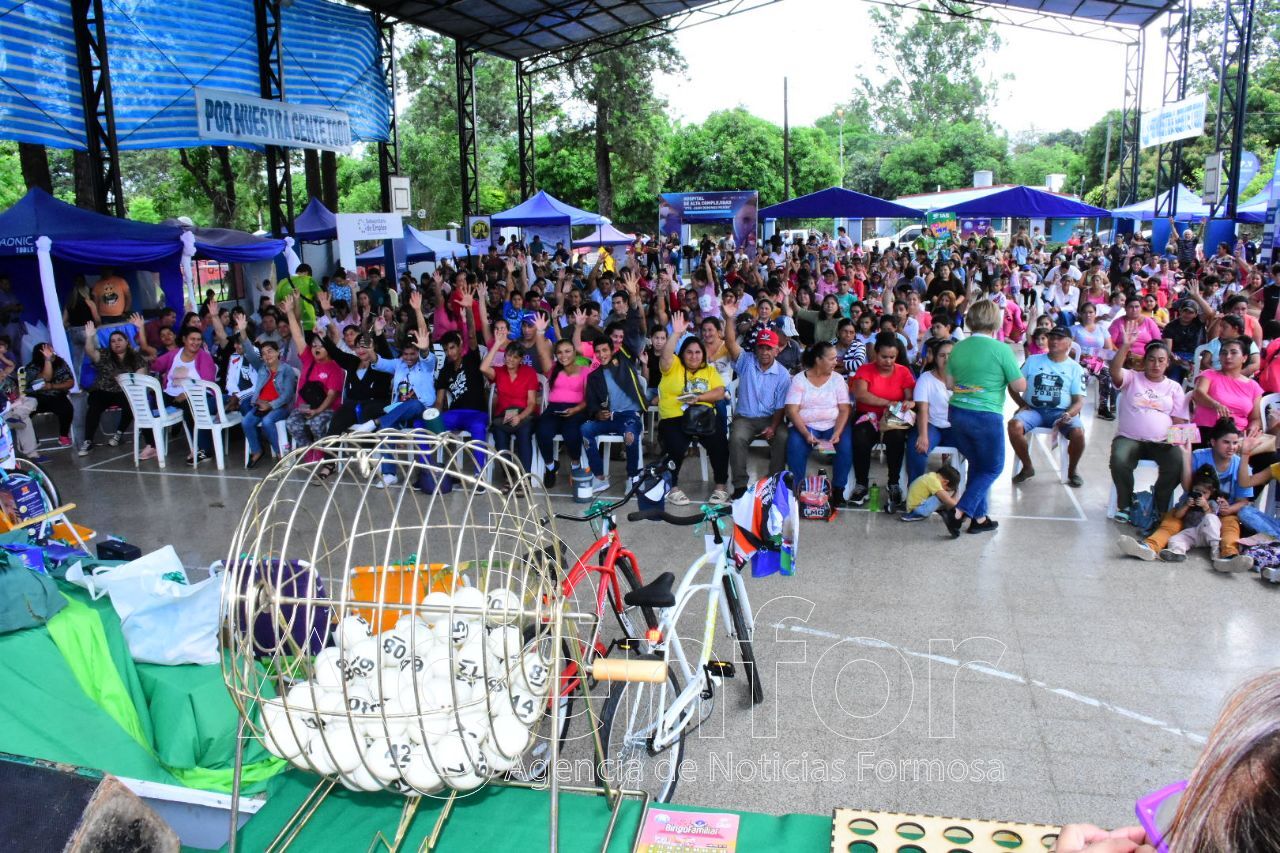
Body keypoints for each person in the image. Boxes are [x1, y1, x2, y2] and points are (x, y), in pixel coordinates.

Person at [1117, 418, 1254, 572]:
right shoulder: (1200, 456)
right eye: (1226, 442)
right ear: (1213, 442)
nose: (1231, 447)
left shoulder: (1241, 465)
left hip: (1220, 514)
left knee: (1232, 524)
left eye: (1235, 443)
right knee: (1172, 520)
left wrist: (1229, 509)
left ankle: (1229, 557)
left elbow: (1244, 501)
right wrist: (1186, 457)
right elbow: (1187, 487)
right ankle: (1148, 547)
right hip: (1190, 508)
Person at [941, 299, 1026, 537]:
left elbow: (949, 384)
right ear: (996, 321)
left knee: (978, 466)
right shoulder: (1001, 349)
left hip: (957, 413)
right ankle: (958, 512)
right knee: (993, 466)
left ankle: (980, 518)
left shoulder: (958, 347)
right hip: (985, 415)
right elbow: (1019, 384)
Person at [1108, 329, 1189, 521]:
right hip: (1129, 437)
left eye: (1161, 360)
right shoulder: (1132, 378)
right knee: (1119, 460)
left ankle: (1159, 504)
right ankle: (1126, 505)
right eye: (1152, 359)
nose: (1156, 364)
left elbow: (1179, 420)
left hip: (1162, 441)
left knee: (1177, 462)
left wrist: (1182, 445)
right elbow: (1114, 371)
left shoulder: (1174, 387)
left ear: (1168, 363)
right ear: (1145, 361)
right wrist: (1126, 346)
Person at [656, 311, 729, 505]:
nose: (694, 356)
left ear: (703, 354)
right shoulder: (674, 366)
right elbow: (664, 357)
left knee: (719, 441)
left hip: (703, 416)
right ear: (682, 354)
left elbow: (720, 392)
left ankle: (720, 488)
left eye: (698, 352)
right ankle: (672, 487)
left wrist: (699, 397)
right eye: (689, 352)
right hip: (674, 416)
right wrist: (676, 334)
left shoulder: (709, 369)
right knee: (675, 444)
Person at [721, 296, 790, 499]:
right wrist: (728, 319)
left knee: (783, 436)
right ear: (756, 348)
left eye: (769, 348)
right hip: (745, 418)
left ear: (776, 350)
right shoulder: (746, 361)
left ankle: (774, 481)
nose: (764, 352)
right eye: (761, 347)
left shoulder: (783, 374)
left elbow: (780, 407)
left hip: (771, 418)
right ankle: (741, 485)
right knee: (736, 437)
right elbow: (731, 343)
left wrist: (773, 426)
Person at [1009, 325, 1087, 487]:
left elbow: (1079, 401)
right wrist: (1021, 403)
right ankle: (1027, 467)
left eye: (1059, 338)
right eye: (1052, 337)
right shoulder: (1033, 361)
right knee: (1014, 425)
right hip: (1034, 410)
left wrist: (1070, 414)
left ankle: (1072, 471)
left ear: (1069, 343)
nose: (1054, 341)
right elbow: (1013, 384)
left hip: (1061, 412)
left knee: (1078, 433)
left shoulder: (1075, 368)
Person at [850, 333, 916, 510]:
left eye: (892, 357)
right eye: (884, 357)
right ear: (875, 354)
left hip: (894, 418)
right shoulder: (865, 370)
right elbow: (861, 395)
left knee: (897, 437)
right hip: (867, 416)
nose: (888, 361)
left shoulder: (903, 371)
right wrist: (887, 403)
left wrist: (909, 402)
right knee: (860, 437)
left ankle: (893, 483)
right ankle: (861, 483)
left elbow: (909, 397)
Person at [784, 341, 852, 505]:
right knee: (795, 445)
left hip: (832, 425)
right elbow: (792, 411)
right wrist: (806, 434)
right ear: (818, 359)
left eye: (836, 358)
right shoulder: (800, 380)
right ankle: (797, 489)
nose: (836, 362)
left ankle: (838, 490)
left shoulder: (837, 379)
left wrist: (837, 432)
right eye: (832, 359)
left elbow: (844, 409)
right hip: (806, 426)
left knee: (845, 446)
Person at [531, 314, 591, 489]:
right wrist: (540, 332)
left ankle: (574, 465)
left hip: (577, 409)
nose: (563, 355)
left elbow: (588, 398)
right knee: (542, 431)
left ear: (574, 352)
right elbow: (542, 353)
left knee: (572, 434)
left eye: (567, 351)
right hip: (554, 409)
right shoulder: (554, 369)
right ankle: (551, 466)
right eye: (559, 352)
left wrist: (575, 410)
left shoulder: (584, 367)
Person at [280, 295, 343, 457]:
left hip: (327, 408)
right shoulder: (308, 357)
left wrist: (317, 411)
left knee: (315, 425)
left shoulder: (335, 368)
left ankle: (322, 454)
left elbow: (331, 396)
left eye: (320, 345)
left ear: (328, 347)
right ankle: (309, 451)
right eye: (314, 345)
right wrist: (290, 313)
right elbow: (297, 336)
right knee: (292, 424)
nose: (316, 348)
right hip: (304, 406)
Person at [582, 334, 646, 493]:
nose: (601, 354)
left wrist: (632, 309)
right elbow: (591, 403)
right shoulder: (593, 376)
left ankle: (632, 477)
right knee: (585, 430)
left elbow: (632, 339)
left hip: (630, 416)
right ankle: (599, 477)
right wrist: (597, 414)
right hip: (609, 418)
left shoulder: (624, 363)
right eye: (597, 351)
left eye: (605, 350)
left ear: (612, 350)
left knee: (630, 436)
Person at [78, 317, 150, 455]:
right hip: (102, 390)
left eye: (119, 340)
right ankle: (88, 441)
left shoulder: (135, 357)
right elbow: (90, 351)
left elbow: (141, 376)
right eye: (113, 341)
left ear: (127, 342)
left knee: (133, 403)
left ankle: (118, 434)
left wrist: (126, 380)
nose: (116, 343)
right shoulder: (104, 354)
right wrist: (90, 337)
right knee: (94, 407)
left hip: (124, 391)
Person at [481, 339, 539, 474]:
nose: (510, 360)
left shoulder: (529, 373)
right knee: (499, 436)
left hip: (525, 414)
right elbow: (483, 368)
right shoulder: (499, 372)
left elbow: (532, 403)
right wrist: (496, 345)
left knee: (524, 435)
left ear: (521, 359)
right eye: (508, 355)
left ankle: (525, 478)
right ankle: (508, 476)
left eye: (515, 357)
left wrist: (520, 416)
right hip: (503, 416)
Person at [1190, 338, 1261, 446]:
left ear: (1244, 358)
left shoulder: (1253, 386)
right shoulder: (1209, 374)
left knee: (1268, 457)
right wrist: (1216, 405)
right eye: (1224, 353)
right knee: (1172, 439)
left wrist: (1252, 429)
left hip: (1237, 436)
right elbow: (1198, 394)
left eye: (1233, 353)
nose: (1228, 357)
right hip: (1206, 430)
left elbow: (1255, 418)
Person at [240, 337, 296, 467]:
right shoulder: (262, 368)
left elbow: (288, 395)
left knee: (267, 421)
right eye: (263, 353)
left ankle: (280, 453)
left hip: (280, 406)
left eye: (270, 351)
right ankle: (257, 450)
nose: (267, 355)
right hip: (261, 405)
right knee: (246, 422)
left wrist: (270, 405)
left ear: (278, 353)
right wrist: (243, 332)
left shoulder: (286, 369)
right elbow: (249, 352)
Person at [906, 338, 953, 483]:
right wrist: (923, 435)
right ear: (935, 357)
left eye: (951, 355)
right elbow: (922, 409)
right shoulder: (926, 379)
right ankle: (915, 492)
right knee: (918, 449)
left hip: (956, 426)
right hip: (932, 425)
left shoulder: (964, 377)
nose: (946, 359)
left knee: (978, 448)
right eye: (942, 355)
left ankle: (964, 495)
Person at [1070, 302, 1117, 420]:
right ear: (1080, 314)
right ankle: (1076, 406)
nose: (1088, 315)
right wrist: (1079, 355)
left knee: (1106, 375)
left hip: (1097, 361)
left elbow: (1109, 348)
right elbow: (1068, 348)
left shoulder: (1102, 329)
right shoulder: (1074, 329)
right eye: (1085, 312)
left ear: (1095, 314)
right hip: (1079, 361)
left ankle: (1103, 407)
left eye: (1091, 312)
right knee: (1083, 375)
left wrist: (1100, 356)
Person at [63, 275, 98, 383]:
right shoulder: (89, 302)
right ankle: (103, 380)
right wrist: (96, 325)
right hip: (87, 330)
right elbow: (97, 318)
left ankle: (75, 385)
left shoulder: (70, 302)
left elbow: (64, 321)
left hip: (74, 332)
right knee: (98, 355)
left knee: (77, 361)